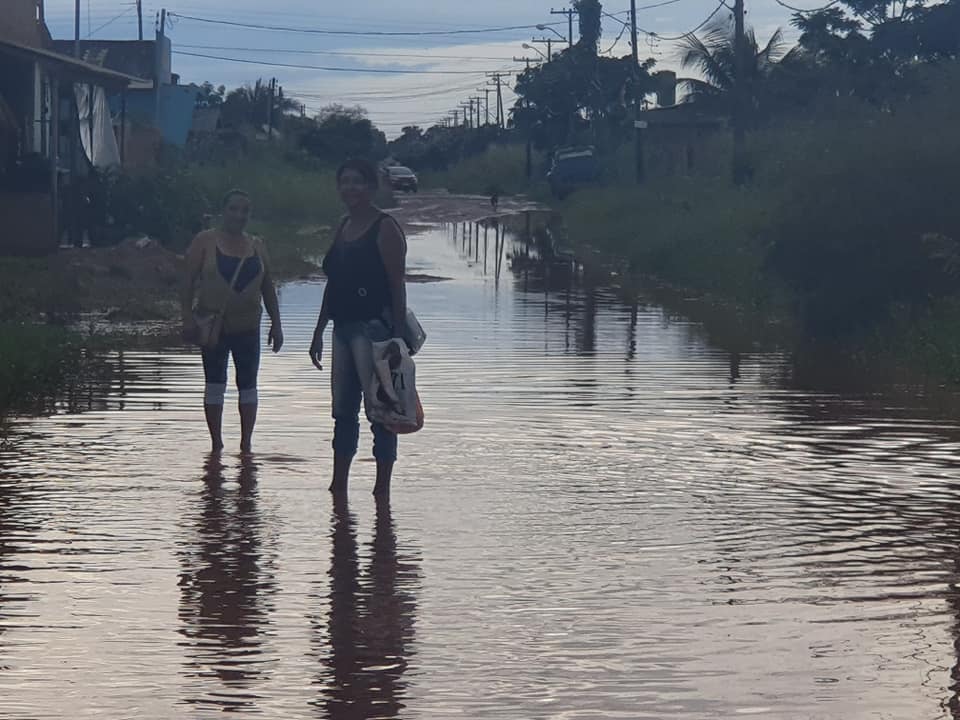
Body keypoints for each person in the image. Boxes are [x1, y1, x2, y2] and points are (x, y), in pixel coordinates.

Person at [310, 159, 407, 497]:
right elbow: (333, 282)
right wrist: (319, 330)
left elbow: (397, 285)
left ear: (371, 187)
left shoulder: (385, 228)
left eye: (357, 182)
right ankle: (339, 486)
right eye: (345, 182)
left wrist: (397, 339)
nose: (350, 188)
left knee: (381, 411)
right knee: (343, 411)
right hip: (342, 329)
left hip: (375, 331)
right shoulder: (342, 226)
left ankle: (382, 491)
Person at [181, 190, 283, 454]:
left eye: (244, 210)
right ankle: (216, 445)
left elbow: (268, 288)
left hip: (248, 327)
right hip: (214, 326)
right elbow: (188, 282)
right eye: (233, 209)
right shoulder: (204, 242)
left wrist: (277, 324)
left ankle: (246, 446)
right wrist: (187, 318)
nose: (239, 215)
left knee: (248, 385)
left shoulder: (257, 245)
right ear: (222, 212)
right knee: (215, 383)